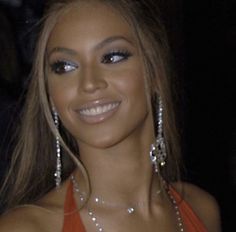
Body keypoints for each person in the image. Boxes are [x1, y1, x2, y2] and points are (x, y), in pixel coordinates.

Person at [0, 0, 221, 231]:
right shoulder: (25, 227)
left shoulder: (202, 210)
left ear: (155, 70)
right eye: (64, 66)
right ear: (49, 93)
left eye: (112, 57)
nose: (89, 83)